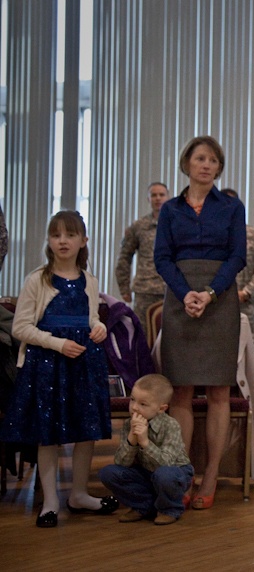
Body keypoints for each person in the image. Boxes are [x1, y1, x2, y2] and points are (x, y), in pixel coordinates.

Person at [0, 211, 119, 527]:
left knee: (86, 432)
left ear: (83, 241)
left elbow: (92, 317)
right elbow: (21, 327)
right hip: (47, 365)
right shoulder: (37, 279)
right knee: (47, 434)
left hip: (83, 363)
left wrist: (99, 328)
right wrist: (56, 343)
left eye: (69, 234)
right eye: (56, 235)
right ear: (49, 242)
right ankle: (50, 501)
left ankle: (78, 494)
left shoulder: (89, 280)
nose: (62, 240)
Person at [154, 135, 246, 511]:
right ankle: (183, 472)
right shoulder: (171, 210)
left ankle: (210, 475)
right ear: (187, 164)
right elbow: (162, 258)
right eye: (200, 158)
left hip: (220, 299)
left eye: (213, 160)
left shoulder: (231, 206)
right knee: (181, 391)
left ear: (219, 168)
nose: (206, 165)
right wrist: (185, 293)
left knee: (220, 391)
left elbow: (238, 256)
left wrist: (209, 292)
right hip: (179, 299)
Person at [98, 374, 194, 526]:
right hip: (145, 472)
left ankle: (170, 509)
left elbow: (166, 463)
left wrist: (145, 442)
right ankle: (143, 505)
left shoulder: (171, 425)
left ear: (161, 408)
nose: (134, 407)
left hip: (174, 472)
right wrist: (132, 440)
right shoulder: (129, 424)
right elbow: (121, 463)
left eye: (143, 404)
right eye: (132, 399)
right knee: (108, 473)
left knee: (164, 474)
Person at [222, 188, 254, 370]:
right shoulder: (210, 236)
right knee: (220, 351)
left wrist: (247, 292)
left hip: (247, 303)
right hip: (217, 302)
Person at [115, 182, 169, 326]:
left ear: (168, 197)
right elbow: (124, 257)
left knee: (170, 336)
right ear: (148, 199)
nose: (158, 198)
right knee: (142, 335)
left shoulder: (176, 225)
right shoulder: (139, 226)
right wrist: (124, 288)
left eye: (161, 195)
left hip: (170, 289)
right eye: (154, 195)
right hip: (145, 290)